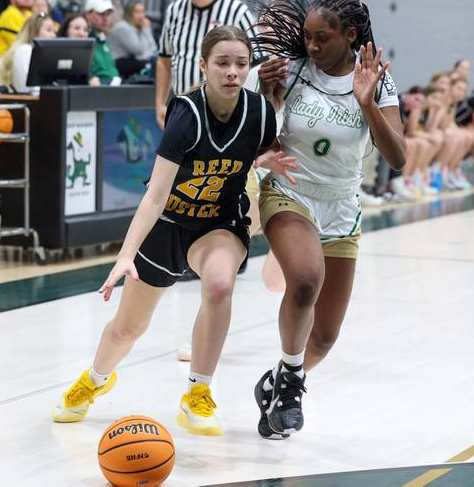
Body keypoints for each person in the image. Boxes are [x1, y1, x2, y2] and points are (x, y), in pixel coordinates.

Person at [50, 26, 294, 436]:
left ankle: (198, 392)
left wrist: (267, 160)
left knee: (219, 286)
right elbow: (155, 195)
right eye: (222, 63)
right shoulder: (187, 114)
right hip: (168, 223)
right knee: (127, 328)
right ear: (203, 66)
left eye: (240, 63)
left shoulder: (260, 112)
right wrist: (125, 255)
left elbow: (258, 149)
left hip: (218, 223)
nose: (232, 72)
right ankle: (94, 379)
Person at [251, 0, 406, 438]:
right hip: (290, 190)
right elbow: (261, 137)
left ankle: (282, 378)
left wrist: (368, 104)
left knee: (323, 338)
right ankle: (292, 385)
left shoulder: (377, 81)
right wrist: (267, 95)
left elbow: (398, 158)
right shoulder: (293, 70)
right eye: (307, 38)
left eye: (322, 38)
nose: (312, 47)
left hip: (342, 203)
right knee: (304, 280)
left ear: (350, 35)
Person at [155, 0, 256, 130]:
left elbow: (257, 64)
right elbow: (164, 60)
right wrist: (160, 103)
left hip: (225, 113)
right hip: (183, 109)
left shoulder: (237, 11)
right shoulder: (175, 10)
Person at [0, 12, 55, 93]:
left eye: (54, 31)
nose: (53, 35)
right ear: (34, 32)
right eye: (49, 30)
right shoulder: (24, 50)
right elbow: (24, 88)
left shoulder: (41, 53)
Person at [107, 0, 157, 78]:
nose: (141, 16)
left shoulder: (137, 27)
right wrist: (146, 29)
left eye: (142, 12)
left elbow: (153, 47)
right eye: (137, 12)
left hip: (131, 59)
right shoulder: (123, 27)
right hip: (118, 61)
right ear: (129, 13)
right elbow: (138, 50)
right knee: (148, 65)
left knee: (154, 63)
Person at [83, 0, 120, 85]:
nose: (106, 18)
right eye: (101, 14)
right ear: (88, 14)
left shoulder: (103, 37)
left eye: (108, 14)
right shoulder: (83, 38)